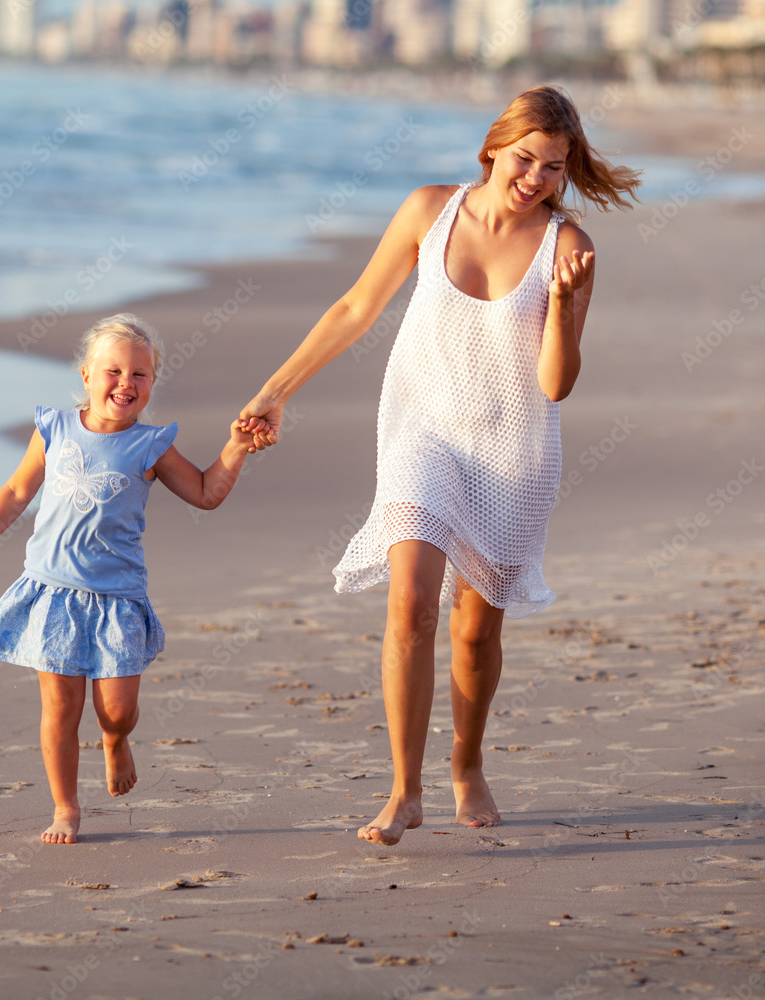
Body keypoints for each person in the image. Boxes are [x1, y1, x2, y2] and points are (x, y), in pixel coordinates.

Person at [239, 86, 641, 846]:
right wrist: (275, 390)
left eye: (554, 168)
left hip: (511, 449)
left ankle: (467, 763)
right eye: (526, 159)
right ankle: (405, 790)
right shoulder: (430, 211)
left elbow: (556, 384)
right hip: (424, 435)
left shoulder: (569, 247)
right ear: (494, 147)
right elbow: (356, 307)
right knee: (410, 601)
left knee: (474, 633)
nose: (536, 178)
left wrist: (566, 300)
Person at [0, 313, 261, 845]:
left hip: (117, 599)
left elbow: (207, 493)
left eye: (140, 374)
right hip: (53, 593)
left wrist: (236, 446)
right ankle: (65, 808)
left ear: (152, 384)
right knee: (60, 707)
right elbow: (17, 492)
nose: (125, 383)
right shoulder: (55, 429)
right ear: (87, 376)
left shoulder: (151, 447)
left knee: (116, 711)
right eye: (113, 371)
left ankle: (115, 742)